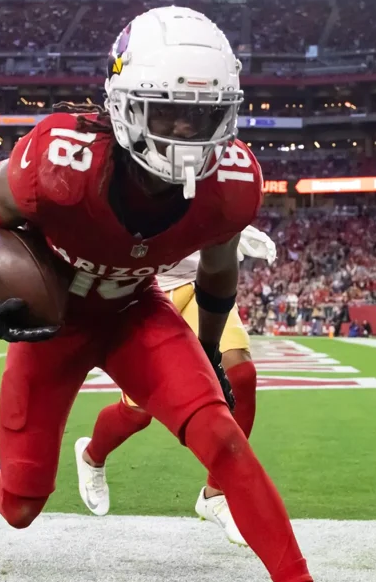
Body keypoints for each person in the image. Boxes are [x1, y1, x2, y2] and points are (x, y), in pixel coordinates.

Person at [0, 6, 376, 582]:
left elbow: (217, 269)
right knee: (26, 501)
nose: (185, 133)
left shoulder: (230, 184)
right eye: (168, 111)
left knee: (222, 435)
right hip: (55, 325)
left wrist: (206, 348)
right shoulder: (61, 162)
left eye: (201, 116)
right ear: (123, 105)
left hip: (133, 312)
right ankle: (1, 483)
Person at [74, 225, 276, 545]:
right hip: (144, 291)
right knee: (138, 412)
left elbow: (210, 199)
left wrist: (232, 225)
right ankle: (91, 456)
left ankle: (216, 494)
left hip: (199, 280)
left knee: (240, 373)